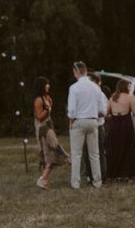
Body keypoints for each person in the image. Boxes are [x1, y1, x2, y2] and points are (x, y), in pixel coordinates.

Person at [106, 79, 135, 180]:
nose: (130, 88)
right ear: (124, 87)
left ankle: (112, 175)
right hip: (125, 121)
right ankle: (128, 174)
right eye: (129, 86)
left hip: (114, 122)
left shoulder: (113, 97)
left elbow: (106, 113)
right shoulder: (129, 97)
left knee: (114, 147)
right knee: (127, 147)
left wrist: (113, 117)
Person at [68, 61, 104, 189]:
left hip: (79, 121)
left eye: (74, 73)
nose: (74, 75)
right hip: (93, 121)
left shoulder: (74, 87)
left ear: (77, 72)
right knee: (94, 154)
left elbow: (72, 108)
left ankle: (75, 183)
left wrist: (70, 121)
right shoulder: (96, 87)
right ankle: (97, 181)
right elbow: (102, 109)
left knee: (76, 154)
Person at [33, 76, 70, 190]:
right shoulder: (38, 100)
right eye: (47, 84)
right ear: (42, 86)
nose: (49, 86)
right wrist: (47, 108)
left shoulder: (45, 98)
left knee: (49, 153)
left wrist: (50, 105)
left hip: (48, 127)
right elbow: (40, 117)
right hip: (44, 129)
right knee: (54, 151)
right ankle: (43, 179)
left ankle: (44, 180)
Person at [80, 72, 109, 184]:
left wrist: (89, 113)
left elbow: (103, 112)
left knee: (98, 152)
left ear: (96, 82)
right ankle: (91, 176)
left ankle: (102, 177)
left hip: (98, 126)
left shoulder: (100, 95)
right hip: (86, 125)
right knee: (87, 152)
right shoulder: (84, 94)